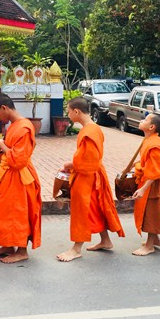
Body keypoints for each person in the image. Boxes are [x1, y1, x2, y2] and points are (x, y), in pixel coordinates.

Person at [56, 97, 125, 262]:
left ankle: (76, 248)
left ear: (77, 112)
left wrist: (69, 164)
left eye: (68, 111)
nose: (68, 114)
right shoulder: (92, 128)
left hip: (87, 176)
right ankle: (105, 240)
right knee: (96, 208)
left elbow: (87, 161)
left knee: (82, 211)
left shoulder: (89, 131)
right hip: (93, 174)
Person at [0, 93, 42, 264]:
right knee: (4, 211)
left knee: (17, 213)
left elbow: (19, 161)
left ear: (4, 108)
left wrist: (2, 145)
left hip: (20, 177)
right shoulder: (14, 125)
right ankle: (8, 245)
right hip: (9, 175)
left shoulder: (24, 127)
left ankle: (21, 251)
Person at [130, 113, 160, 256]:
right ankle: (155, 239)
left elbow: (156, 170)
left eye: (145, 120)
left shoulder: (155, 144)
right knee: (151, 211)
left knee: (152, 212)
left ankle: (149, 246)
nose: (142, 120)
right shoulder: (149, 139)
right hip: (149, 179)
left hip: (153, 182)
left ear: (152, 127)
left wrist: (143, 188)